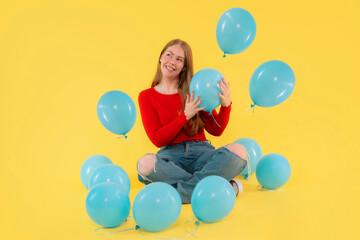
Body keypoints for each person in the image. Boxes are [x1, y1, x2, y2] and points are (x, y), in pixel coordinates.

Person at [137, 39, 247, 204]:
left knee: (239, 151)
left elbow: (216, 130)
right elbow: (158, 139)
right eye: (169, 55)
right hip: (171, 159)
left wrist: (226, 106)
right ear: (161, 57)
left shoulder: (194, 90)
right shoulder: (146, 96)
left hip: (202, 154)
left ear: (184, 66)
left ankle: (177, 193)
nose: (172, 62)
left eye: (179, 59)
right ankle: (216, 188)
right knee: (145, 164)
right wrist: (185, 116)